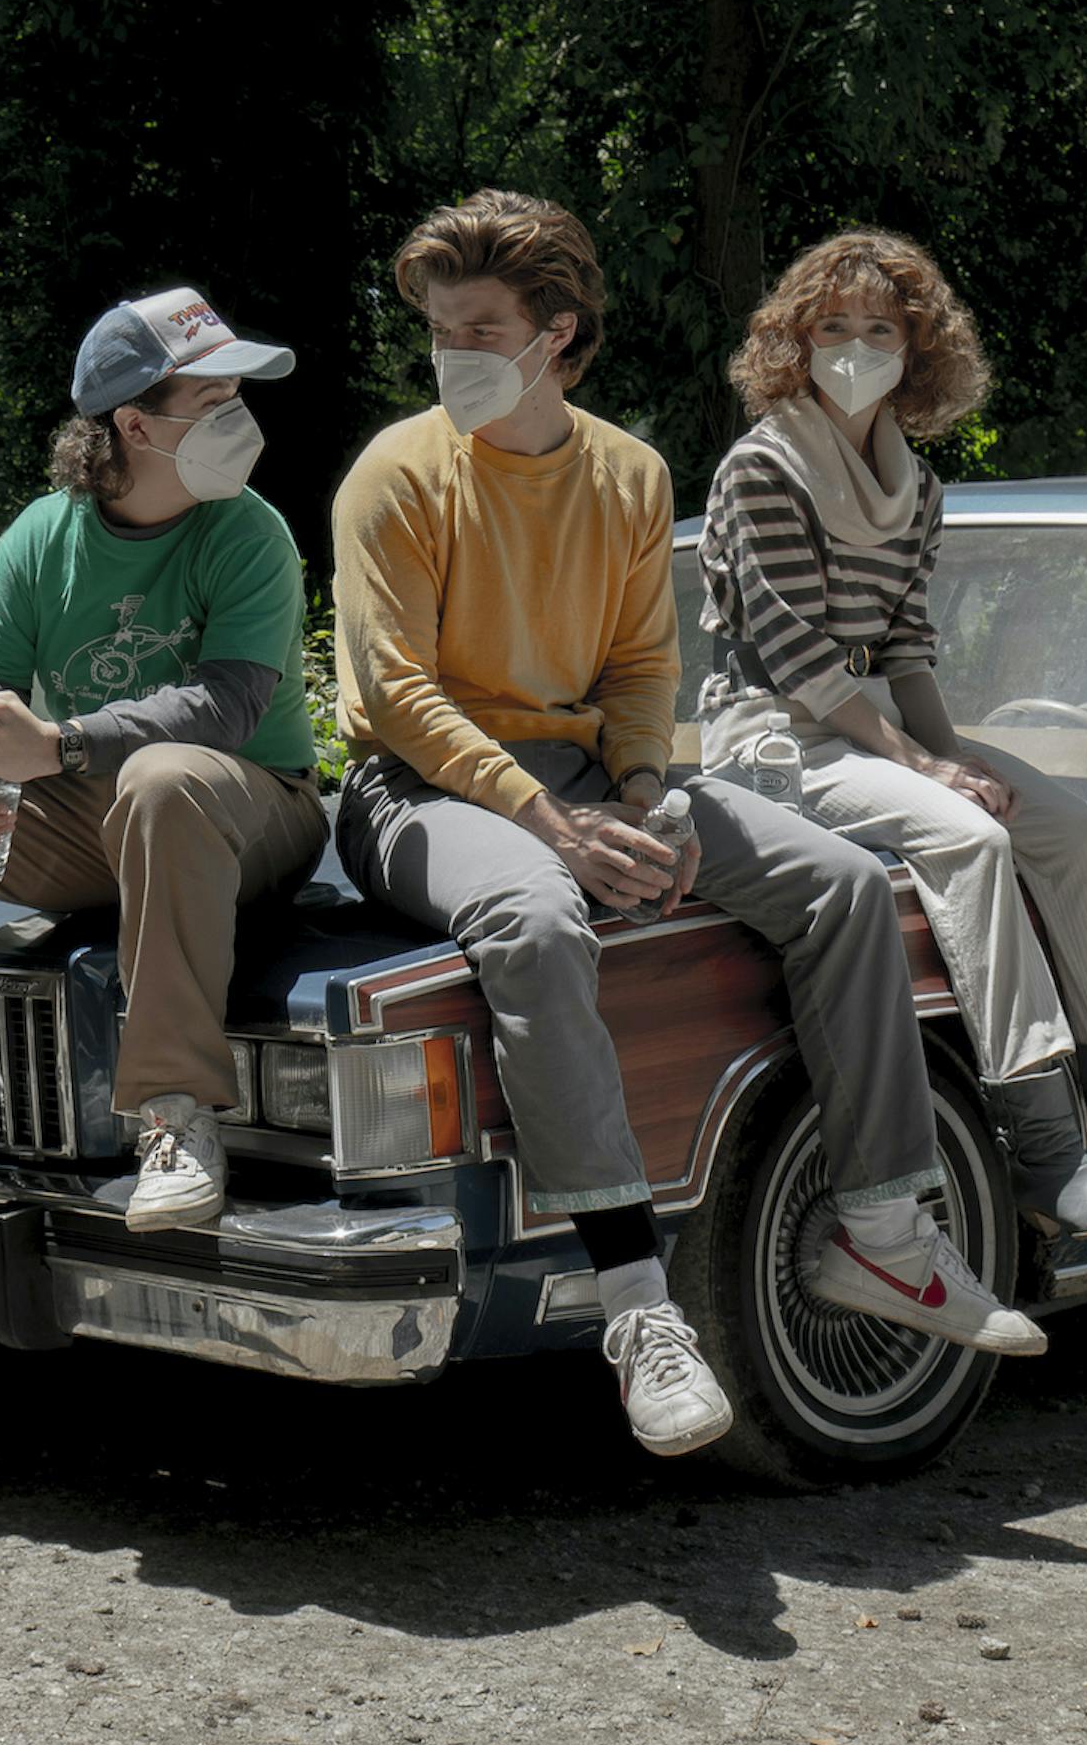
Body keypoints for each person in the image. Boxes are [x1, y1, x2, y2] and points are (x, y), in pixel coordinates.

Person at [332, 190, 1044, 1462]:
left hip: (599, 776)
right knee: (533, 911)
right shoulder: (394, 470)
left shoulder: (626, 471)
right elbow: (396, 693)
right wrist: (554, 821)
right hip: (420, 790)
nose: (452, 353)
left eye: (479, 326)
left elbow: (638, 667)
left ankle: (880, 1230)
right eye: (439, 328)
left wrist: (649, 790)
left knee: (838, 883)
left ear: (556, 333)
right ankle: (637, 1310)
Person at [698, 228, 1087, 1231]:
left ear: (915, 348)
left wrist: (948, 752)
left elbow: (906, 642)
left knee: (1079, 832)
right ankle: (1043, 1151)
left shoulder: (914, 483)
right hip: (771, 738)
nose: (854, 345)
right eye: (831, 325)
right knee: (965, 834)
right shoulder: (763, 466)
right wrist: (926, 771)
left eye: (878, 327)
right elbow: (794, 659)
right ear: (793, 338)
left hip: (867, 731)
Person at [0, 288, 325, 1232]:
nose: (240, 420)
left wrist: (57, 745)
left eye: (237, 397)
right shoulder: (41, 534)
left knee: (164, 775)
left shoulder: (250, 530)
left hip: (252, 811)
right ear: (134, 423)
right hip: (103, 815)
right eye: (213, 401)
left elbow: (226, 707)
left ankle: (177, 1117)